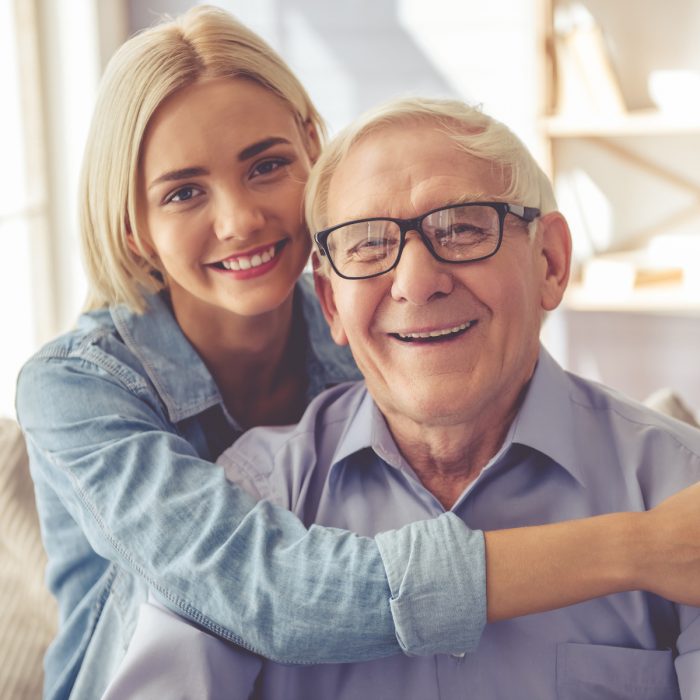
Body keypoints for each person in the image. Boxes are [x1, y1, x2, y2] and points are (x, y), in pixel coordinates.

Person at [15, 6, 700, 699]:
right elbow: (269, 591)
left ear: (310, 153)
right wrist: (634, 547)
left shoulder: (382, 331)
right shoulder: (79, 389)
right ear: (134, 228)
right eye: (184, 191)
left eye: (266, 165)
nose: (239, 219)